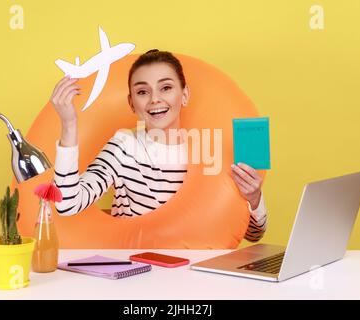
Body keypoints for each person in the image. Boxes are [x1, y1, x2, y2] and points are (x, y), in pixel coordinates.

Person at [51, 49, 267, 242]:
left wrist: (254, 199)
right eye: (143, 92)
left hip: (194, 276)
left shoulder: (209, 150)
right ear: (131, 103)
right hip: (136, 272)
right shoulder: (124, 147)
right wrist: (69, 124)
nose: (155, 99)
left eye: (165, 88)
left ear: (184, 95)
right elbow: (67, 204)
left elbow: (253, 235)